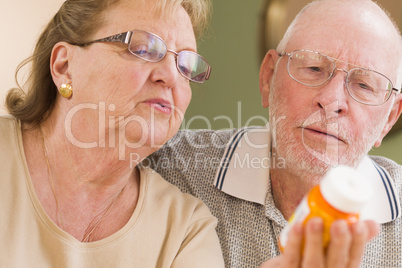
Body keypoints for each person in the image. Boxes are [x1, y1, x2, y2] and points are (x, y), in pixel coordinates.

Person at [148, 0, 402, 267]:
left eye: (363, 85)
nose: (331, 101)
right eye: (314, 68)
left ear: (389, 119)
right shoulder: (170, 168)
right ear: (268, 77)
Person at [0, 0, 225, 267]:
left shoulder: (187, 231)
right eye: (143, 49)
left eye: (186, 66)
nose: (171, 76)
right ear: (64, 66)